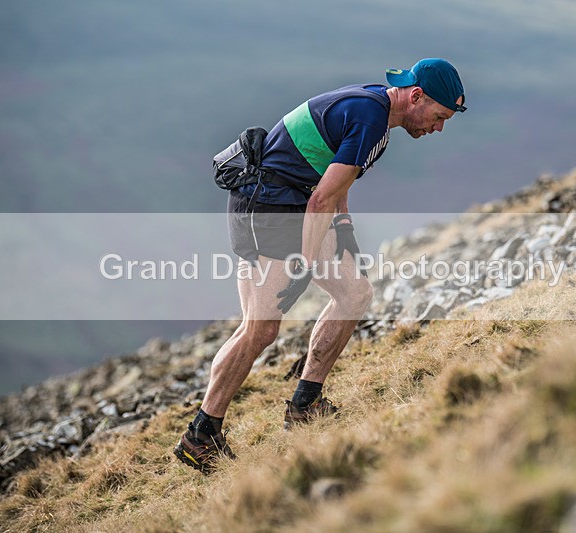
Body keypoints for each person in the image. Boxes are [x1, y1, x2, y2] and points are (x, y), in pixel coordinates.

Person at [174, 58, 466, 473]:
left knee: (354, 294)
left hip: (298, 203)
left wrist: (343, 231)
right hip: (268, 207)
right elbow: (320, 200)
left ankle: (304, 404)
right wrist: (306, 264)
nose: (438, 128)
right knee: (261, 329)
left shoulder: (377, 115)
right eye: (439, 117)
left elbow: (334, 180)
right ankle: (199, 435)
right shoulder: (370, 117)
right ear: (416, 96)